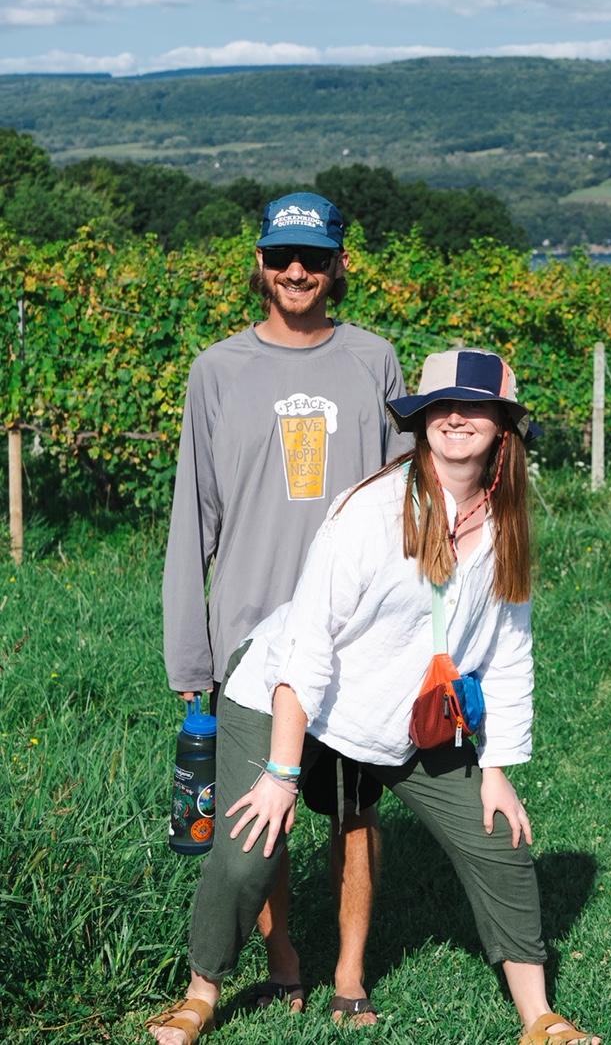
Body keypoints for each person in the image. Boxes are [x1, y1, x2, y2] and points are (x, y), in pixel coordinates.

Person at [147, 348, 600, 1045]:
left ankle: (540, 1018)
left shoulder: (505, 525)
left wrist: (499, 770)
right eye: (440, 406)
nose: (456, 417)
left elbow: (511, 654)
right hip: (285, 695)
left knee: (501, 842)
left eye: (475, 406)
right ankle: (201, 991)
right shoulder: (370, 510)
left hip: (405, 720)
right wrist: (281, 775)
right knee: (247, 852)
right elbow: (307, 647)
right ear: (421, 422)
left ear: (503, 427)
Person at [161, 191, 411, 1026]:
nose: (294, 271)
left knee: (351, 816)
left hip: (353, 636)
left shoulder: (375, 362)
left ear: (340, 265)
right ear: (259, 264)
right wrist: (189, 660)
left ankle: (348, 976)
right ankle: (282, 958)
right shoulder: (216, 371)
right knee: (258, 824)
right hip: (247, 641)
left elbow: (410, 506)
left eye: (311, 258)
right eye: (279, 256)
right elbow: (191, 520)